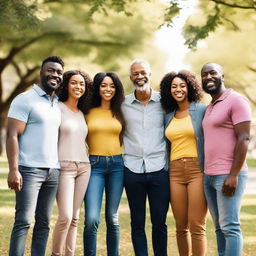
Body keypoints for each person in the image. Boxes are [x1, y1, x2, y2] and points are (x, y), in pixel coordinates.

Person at [6, 56, 64, 256]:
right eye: (51, 70)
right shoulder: (24, 99)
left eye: (58, 72)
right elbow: (12, 134)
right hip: (29, 170)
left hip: (53, 171)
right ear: (41, 72)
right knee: (23, 221)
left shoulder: (56, 103)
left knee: (44, 223)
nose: (55, 75)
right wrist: (14, 170)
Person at [201, 62, 251, 256]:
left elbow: (244, 137)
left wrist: (233, 175)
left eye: (212, 73)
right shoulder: (211, 106)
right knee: (219, 227)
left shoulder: (236, 100)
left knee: (230, 226)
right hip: (209, 176)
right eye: (204, 74)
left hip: (228, 175)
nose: (208, 77)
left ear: (222, 76)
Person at [121, 59, 169, 256]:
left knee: (159, 222)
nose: (139, 76)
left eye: (143, 72)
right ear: (130, 77)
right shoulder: (122, 104)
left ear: (150, 73)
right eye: (135, 73)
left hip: (159, 169)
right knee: (137, 222)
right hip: (132, 170)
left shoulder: (165, 102)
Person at [160, 70, 207, 256]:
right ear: (168, 90)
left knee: (196, 224)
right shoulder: (168, 116)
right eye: (174, 86)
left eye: (182, 85)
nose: (178, 89)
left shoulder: (201, 110)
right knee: (181, 226)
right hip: (175, 172)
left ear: (189, 87)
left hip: (197, 170)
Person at [83, 72, 125, 256]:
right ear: (97, 88)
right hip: (94, 166)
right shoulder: (86, 111)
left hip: (117, 165)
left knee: (112, 218)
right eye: (103, 85)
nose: (108, 89)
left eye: (112, 86)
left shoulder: (121, 111)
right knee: (91, 218)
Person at [51, 70, 92, 256]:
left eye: (82, 84)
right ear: (66, 85)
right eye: (74, 83)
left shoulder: (83, 113)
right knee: (65, 216)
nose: (78, 87)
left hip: (84, 167)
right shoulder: (56, 108)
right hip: (64, 167)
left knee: (75, 218)